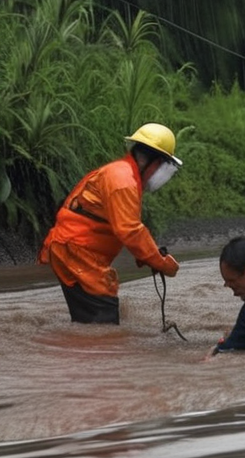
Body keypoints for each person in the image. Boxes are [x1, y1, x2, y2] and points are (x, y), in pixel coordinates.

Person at [37, 123, 182, 324]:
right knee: (102, 325)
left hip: (76, 252)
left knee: (93, 320)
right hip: (76, 253)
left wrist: (149, 256)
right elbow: (130, 231)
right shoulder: (123, 180)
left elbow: (121, 226)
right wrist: (161, 262)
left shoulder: (121, 174)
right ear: (155, 162)